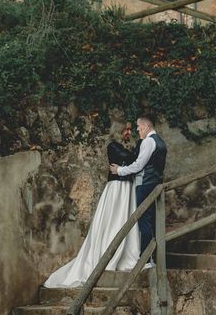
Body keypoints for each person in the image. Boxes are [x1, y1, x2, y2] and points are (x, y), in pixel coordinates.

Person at [43, 124, 142, 288]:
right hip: (117, 188)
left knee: (126, 220)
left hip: (127, 188)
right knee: (113, 220)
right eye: (126, 129)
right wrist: (133, 159)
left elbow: (133, 161)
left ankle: (125, 253)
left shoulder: (132, 147)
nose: (129, 132)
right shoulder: (113, 146)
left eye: (130, 130)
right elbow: (131, 159)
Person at [109, 115, 167, 262]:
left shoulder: (148, 142)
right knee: (151, 220)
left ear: (146, 127)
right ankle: (151, 258)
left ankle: (145, 259)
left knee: (144, 222)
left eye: (139, 127)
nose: (137, 130)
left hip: (144, 184)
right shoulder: (161, 142)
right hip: (155, 184)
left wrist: (120, 170)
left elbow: (138, 165)